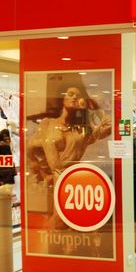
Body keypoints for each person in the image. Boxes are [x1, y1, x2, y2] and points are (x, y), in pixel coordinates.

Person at [26, 83, 112, 229]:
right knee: (56, 221)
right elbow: (30, 148)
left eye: (78, 96)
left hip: (72, 181)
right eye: (70, 94)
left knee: (66, 221)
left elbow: (108, 125)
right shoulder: (48, 124)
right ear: (62, 98)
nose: (74, 98)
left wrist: (92, 106)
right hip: (52, 181)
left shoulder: (82, 131)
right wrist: (39, 170)